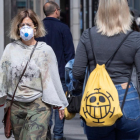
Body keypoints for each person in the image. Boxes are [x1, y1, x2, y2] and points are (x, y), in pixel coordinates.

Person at [72, 0, 140, 140]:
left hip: (97, 101)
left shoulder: (88, 35)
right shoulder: (135, 38)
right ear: (125, 12)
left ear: (100, 11)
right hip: (127, 98)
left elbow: (77, 73)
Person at [0, 9, 68, 140]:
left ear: (35, 28)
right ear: (17, 28)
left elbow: (53, 78)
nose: (25, 28)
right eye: (22, 25)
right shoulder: (10, 49)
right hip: (15, 105)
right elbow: (3, 75)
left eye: (29, 25)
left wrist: (61, 103)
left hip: (38, 105)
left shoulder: (45, 50)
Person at [36, 1, 75, 140]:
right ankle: (58, 135)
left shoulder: (38, 28)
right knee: (60, 106)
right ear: (56, 11)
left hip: (41, 76)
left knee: (45, 105)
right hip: (60, 75)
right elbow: (70, 55)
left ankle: (46, 133)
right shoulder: (63, 28)